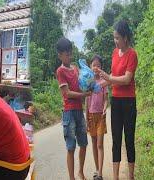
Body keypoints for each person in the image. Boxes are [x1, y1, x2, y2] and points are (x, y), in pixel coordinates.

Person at [95, 20, 138, 180]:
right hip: (116, 101)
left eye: (118, 38)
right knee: (116, 140)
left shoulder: (132, 54)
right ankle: (115, 177)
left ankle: (131, 176)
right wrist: (98, 84)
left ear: (125, 38)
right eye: (114, 38)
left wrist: (109, 77)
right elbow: (112, 79)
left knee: (129, 139)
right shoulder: (114, 53)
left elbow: (127, 79)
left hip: (129, 102)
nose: (116, 41)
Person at [55, 37, 91, 180]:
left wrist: (90, 83)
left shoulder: (75, 68)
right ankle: (72, 178)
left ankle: (81, 172)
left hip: (79, 111)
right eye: (66, 54)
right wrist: (84, 94)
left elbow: (82, 82)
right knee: (71, 147)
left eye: (70, 53)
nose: (69, 56)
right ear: (60, 55)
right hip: (69, 112)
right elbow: (67, 93)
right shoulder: (60, 71)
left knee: (84, 144)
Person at [86, 55, 108, 180]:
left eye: (98, 65)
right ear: (90, 67)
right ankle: (96, 169)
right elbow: (86, 102)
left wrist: (105, 108)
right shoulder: (88, 82)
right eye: (94, 65)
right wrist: (86, 118)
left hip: (100, 116)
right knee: (94, 144)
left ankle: (100, 173)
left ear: (101, 67)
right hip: (90, 116)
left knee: (100, 144)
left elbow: (106, 100)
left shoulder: (103, 82)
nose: (96, 67)